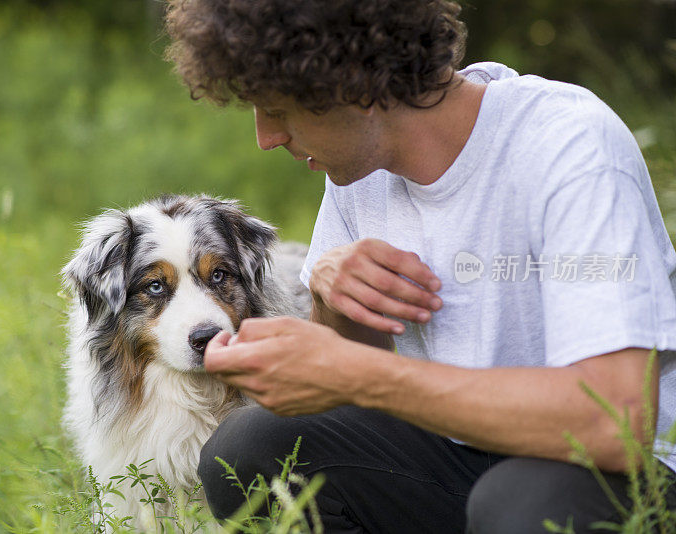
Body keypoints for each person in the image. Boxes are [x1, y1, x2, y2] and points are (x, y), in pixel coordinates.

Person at [165, 1, 676, 532]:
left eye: (277, 108)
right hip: (459, 459)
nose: (266, 137)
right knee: (249, 449)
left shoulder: (568, 144)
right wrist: (332, 302)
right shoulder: (359, 170)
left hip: (616, 475)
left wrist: (368, 376)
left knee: (521, 503)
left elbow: (613, 422)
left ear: (353, 81)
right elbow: (345, 385)